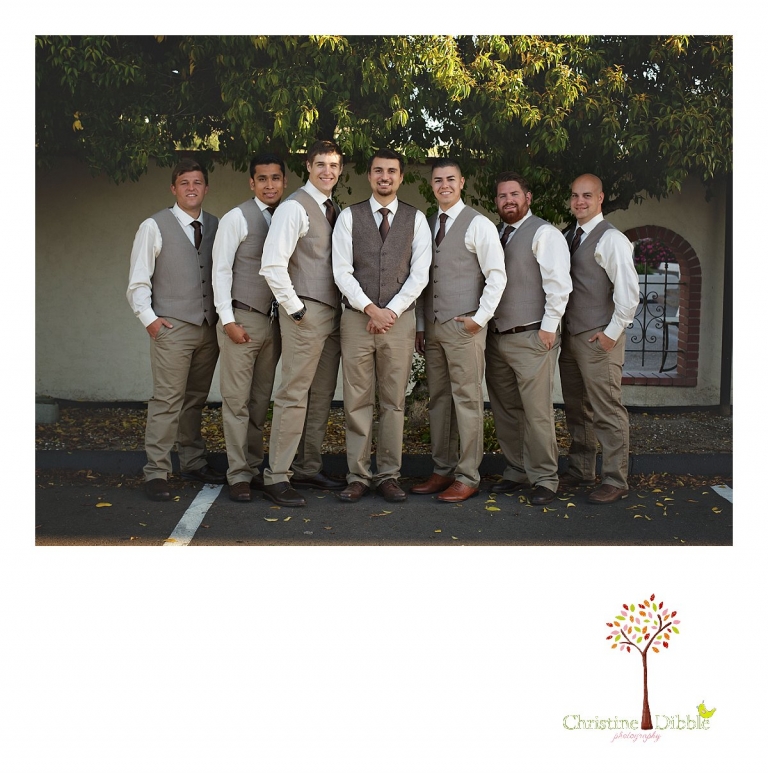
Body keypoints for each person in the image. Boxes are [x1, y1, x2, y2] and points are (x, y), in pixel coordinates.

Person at [331, 149, 432, 503]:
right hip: (357, 319)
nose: (384, 177)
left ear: (401, 177)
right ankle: (358, 476)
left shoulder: (417, 219)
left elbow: (420, 274)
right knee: (356, 400)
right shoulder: (349, 216)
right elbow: (341, 270)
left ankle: (389, 475)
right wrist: (371, 309)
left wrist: (390, 311)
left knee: (393, 401)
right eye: (378, 171)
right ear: (369, 175)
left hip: (398, 323)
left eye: (391, 171)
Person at [127, 157, 225, 501]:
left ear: (206, 188)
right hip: (172, 328)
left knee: (195, 400)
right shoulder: (154, 226)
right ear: (173, 188)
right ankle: (156, 472)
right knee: (167, 400)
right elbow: (138, 281)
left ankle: (193, 461)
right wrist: (151, 321)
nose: (191, 188)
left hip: (208, 328)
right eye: (184, 183)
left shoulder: (216, 225)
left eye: (197, 182)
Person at [412, 158, 507, 503]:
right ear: (432, 185)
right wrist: (421, 326)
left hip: (465, 327)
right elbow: (422, 281)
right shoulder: (427, 224)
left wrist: (478, 319)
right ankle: (442, 469)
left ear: (462, 182)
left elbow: (497, 276)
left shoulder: (478, 224)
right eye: (438, 180)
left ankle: (468, 475)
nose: (444, 185)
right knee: (439, 401)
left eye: (451, 179)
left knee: (467, 401)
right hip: (433, 328)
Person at [258, 140, 346, 507]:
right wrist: (296, 311)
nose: (328, 171)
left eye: (334, 165)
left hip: (334, 315)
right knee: (293, 395)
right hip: (306, 313)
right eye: (321, 164)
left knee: (321, 395)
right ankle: (277, 475)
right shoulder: (294, 207)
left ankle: (308, 466)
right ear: (308, 166)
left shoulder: (334, 208)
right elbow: (272, 265)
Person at [485, 172, 572, 506]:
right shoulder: (495, 234)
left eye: (514, 194)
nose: (508, 200)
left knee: (537, 413)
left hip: (533, 335)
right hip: (497, 337)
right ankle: (517, 470)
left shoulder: (544, 233)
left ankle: (545, 478)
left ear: (528, 197)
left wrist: (549, 328)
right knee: (506, 410)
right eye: (502, 196)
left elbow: (558, 285)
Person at [559, 173, 640, 504]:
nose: (579, 201)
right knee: (577, 409)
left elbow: (629, 295)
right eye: (575, 195)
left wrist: (610, 335)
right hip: (571, 337)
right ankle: (581, 470)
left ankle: (615, 479)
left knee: (607, 410)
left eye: (587, 195)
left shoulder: (612, 239)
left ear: (601, 198)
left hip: (598, 338)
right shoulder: (569, 236)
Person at [212, 153, 286, 503]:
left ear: (284, 181)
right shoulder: (236, 218)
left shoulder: (286, 216)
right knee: (237, 402)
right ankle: (238, 474)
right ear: (252, 183)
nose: (270, 185)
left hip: (274, 323)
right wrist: (227, 320)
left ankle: (254, 467)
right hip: (242, 319)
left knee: (259, 402)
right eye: (263, 178)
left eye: (275, 178)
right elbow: (221, 270)